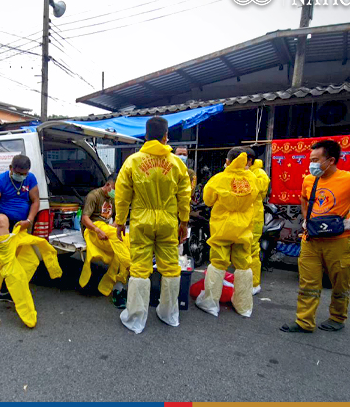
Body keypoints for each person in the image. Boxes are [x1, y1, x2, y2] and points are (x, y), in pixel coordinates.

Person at [281, 139, 350, 333]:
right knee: (308, 283)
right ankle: (304, 321)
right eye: (310, 160)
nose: (311, 164)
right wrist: (306, 219)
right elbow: (304, 199)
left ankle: (337, 318)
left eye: (315, 159)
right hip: (311, 240)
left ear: (330, 160)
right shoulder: (309, 179)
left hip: (339, 241)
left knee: (340, 282)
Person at [115, 116, 191, 334]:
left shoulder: (133, 161)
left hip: (141, 220)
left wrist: (120, 221)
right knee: (170, 267)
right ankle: (169, 315)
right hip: (168, 220)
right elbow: (184, 195)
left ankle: (136, 319)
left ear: (146, 136)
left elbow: (122, 195)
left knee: (140, 268)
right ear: (166, 136)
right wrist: (183, 221)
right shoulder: (176, 163)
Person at [195, 148, 259, 317]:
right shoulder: (252, 178)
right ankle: (243, 307)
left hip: (222, 227)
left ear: (228, 161)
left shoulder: (219, 179)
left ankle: (210, 303)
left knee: (218, 263)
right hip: (244, 228)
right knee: (244, 265)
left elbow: (208, 200)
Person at [0, 214, 63, 328]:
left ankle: (6, 292)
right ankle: (28, 315)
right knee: (14, 274)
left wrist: (29, 220)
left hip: (20, 230)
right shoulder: (1, 216)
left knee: (29, 262)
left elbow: (35, 203)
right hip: (4, 236)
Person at [0, 154, 41, 302]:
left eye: (24, 174)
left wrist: (29, 221)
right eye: (18, 174)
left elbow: (36, 201)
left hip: (22, 223)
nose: (21, 176)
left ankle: (12, 286)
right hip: (4, 218)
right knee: (6, 253)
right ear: (11, 168)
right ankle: (5, 286)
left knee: (18, 256)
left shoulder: (30, 179)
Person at [79, 174, 131, 308]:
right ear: (108, 185)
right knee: (119, 243)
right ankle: (120, 283)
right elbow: (85, 218)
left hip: (107, 230)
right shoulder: (94, 195)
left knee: (125, 240)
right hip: (92, 230)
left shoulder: (114, 198)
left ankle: (117, 284)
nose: (116, 192)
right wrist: (97, 230)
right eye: (114, 188)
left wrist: (117, 225)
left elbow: (116, 219)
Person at [248, 156, 271, 295]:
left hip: (254, 217)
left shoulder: (259, 173)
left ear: (249, 160)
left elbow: (256, 191)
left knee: (252, 251)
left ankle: (254, 283)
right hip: (244, 217)